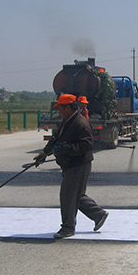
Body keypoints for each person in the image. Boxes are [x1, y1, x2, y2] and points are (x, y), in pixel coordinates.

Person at [33, 94, 108, 239]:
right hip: (70, 164)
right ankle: (98, 215)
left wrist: (67, 149)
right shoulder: (67, 121)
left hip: (79, 164)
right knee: (76, 194)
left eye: (60, 109)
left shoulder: (80, 123)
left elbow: (87, 145)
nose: (59, 112)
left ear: (68, 108)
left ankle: (68, 228)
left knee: (68, 196)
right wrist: (44, 153)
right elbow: (55, 138)